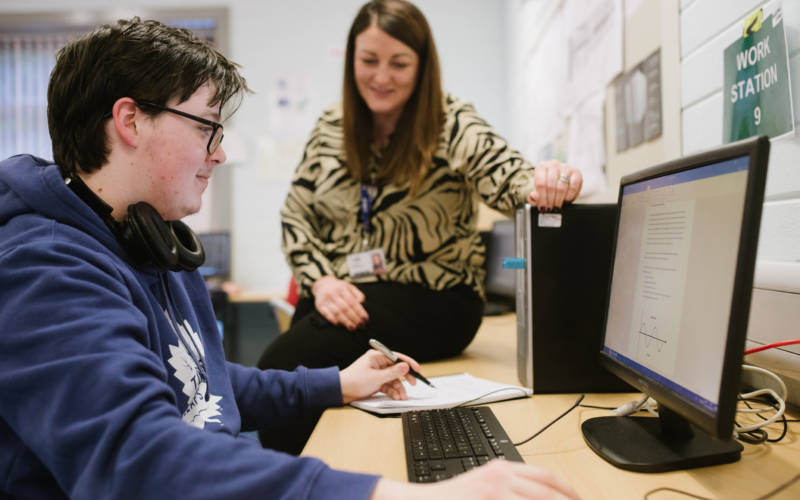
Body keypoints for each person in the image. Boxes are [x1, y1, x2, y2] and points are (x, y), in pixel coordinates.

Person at [0, 17, 580, 500]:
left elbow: (207, 386)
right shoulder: (47, 272)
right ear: (129, 120)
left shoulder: (151, 241)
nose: (221, 153)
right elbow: (139, 461)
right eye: (207, 127)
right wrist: (400, 495)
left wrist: (335, 383)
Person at [257, 0, 583, 453]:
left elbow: (511, 176)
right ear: (351, 59)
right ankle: (330, 466)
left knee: (285, 362)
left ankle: (291, 479)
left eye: (399, 63)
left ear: (423, 65)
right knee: (310, 337)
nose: (381, 77)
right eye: (369, 61)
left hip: (436, 299)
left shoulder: (449, 121)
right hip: (350, 293)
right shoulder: (332, 126)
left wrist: (551, 180)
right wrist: (322, 279)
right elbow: (297, 215)